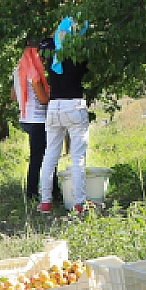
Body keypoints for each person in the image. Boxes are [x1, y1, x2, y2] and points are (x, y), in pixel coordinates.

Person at [38, 18, 92, 214]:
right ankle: (79, 202)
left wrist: (59, 31)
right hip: (74, 105)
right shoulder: (80, 53)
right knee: (77, 157)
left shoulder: (51, 51)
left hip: (54, 106)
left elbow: (45, 42)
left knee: (50, 155)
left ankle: (45, 201)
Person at [14, 38, 50, 201]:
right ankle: (34, 193)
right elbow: (43, 99)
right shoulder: (33, 72)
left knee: (37, 156)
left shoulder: (19, 69)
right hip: (38, 119)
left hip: (25, 118)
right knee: (44, 157)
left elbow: (13, 96)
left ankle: (34, 192)